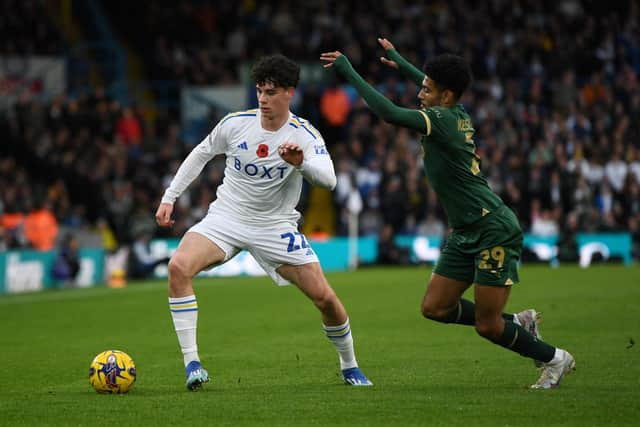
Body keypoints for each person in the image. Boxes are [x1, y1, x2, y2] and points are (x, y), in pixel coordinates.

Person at [321, 39, 575, 389]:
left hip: (492, 229)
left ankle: (555, 358)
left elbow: (390, 114)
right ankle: (519, 320)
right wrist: (400, 60)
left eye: (427, 89)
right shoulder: (455, 112)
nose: (419, 93)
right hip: (465, 230)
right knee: (435, 307)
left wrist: (349, 71)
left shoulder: (439, 119)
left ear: (445, 96)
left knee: (489, 326)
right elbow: (433, 86)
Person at [155, 54, 372, 391]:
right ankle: (192, 364)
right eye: (259, 91)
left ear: (290, 93)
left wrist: (301, 164)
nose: (263, 99)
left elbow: (328, 180)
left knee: (325, 299)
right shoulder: (235, 123)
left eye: (271, 92)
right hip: (226, 218)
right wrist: (170, 196)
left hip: (275, 227)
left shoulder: (304, 134)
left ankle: (350, 365)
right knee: (178, 267)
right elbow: (200, 153)